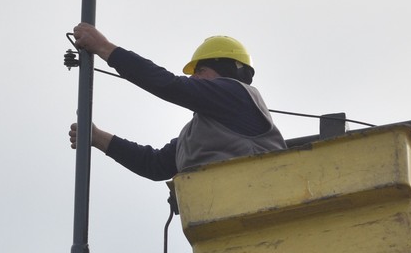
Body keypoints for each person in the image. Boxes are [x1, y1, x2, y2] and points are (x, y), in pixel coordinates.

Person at [68, 23, 286, 181]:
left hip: (259, 197)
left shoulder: (236, 94)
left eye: (201, 70)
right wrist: (97, 137)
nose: (194, 78)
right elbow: (154, 165)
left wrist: (104, 48)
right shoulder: (196, 136)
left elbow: (169, 85)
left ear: (226, 70)